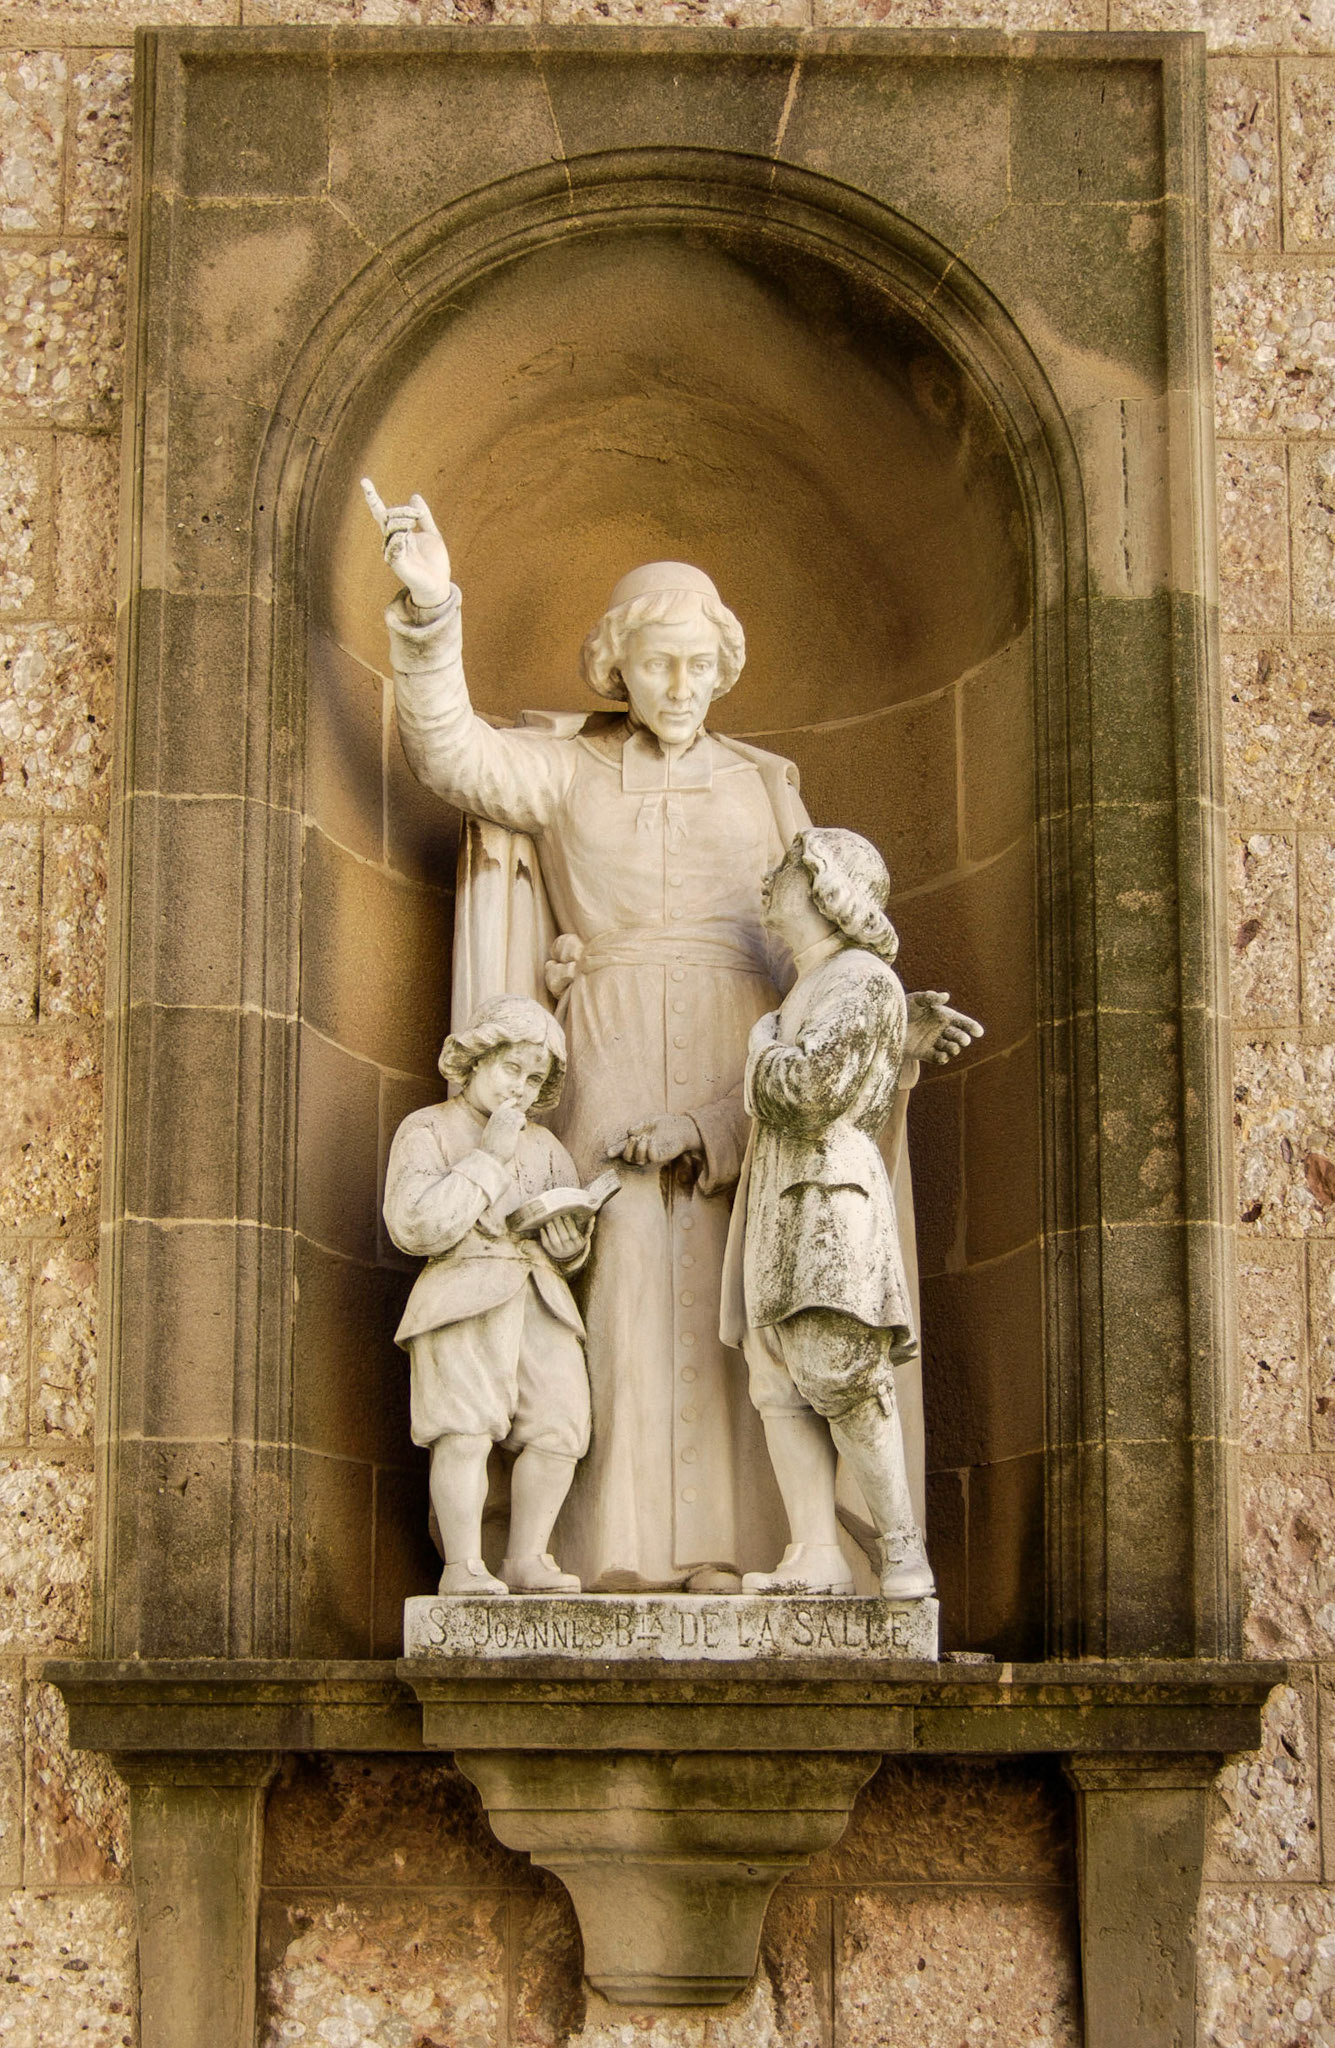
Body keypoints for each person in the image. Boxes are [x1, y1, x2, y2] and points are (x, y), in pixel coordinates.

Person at [363, 484, 976, 1592]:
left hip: (742, 1046)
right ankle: (611, 1549)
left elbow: (830, 942)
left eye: (699, 665)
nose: (681, 686)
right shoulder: (570, 767)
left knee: (748, 1295)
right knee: (623, 1274)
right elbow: (452, 754)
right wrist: (433, 605)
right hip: (604, 1047)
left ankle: (763, 1546)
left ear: (724, 667)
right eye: (658, 666)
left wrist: (863, 1045)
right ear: (618, 669)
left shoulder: (763, 786)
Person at [722, 828, 980, 1599]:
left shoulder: (860, 979)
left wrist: (763, 1045)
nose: (769, 879)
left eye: (787, 869)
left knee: (838, 1364)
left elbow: (810, 1093)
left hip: (826, 1191)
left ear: (825, 888)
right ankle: (814, 1550)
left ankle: (901, 1550)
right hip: (784, 1188)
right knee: (778, 1378)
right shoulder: (814, 982)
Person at [382, 995, 594, 1596]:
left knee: (560, 1428)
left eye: (534, 1078)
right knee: (464, 1429)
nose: (521, 1090)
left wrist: (567, 1245)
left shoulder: (549, 1149)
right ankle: (463, 1565)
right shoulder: (428, 1128)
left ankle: (527, 1555)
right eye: (510, 1070)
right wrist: (489, 1158)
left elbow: (566, 1229)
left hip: (539, 1296)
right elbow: (416, 1225)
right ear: (475, 1060)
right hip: (463, 1293)